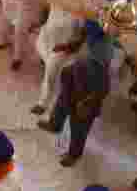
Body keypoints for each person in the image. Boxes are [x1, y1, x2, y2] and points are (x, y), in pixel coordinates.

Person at [43, 21, 116, 165]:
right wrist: (68, 46)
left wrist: (88, 102)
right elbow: (82, 37)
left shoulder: (106, 50)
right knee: (63, 99)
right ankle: (55, 124)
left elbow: (104, 87)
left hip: (90, 87)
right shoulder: (92, 28)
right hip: (78, 70)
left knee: (80, 122)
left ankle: (74, 154)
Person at [31, 0, 91, 116]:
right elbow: (48, 7)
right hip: (48, 36)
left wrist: (70, 46)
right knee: (45, 59)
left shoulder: (84, 4)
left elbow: (85, 31)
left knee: (51, 74)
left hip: (63, 46)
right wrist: (40, 22)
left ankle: (43, 103)